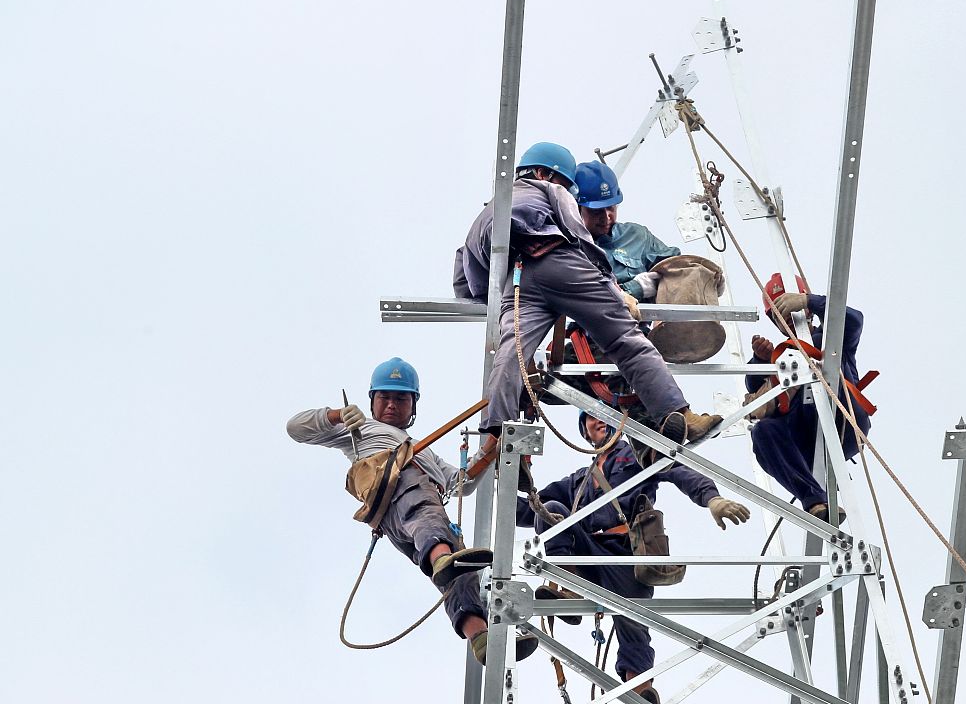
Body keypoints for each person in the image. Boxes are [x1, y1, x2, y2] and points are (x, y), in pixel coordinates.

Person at [452, 141, 721, 444]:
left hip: (519, 282)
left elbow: (466, 280)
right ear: (543, 173)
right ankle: (677, 412)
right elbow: (579, 238)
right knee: (625, 340)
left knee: (511, 354)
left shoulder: (487, 213)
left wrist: (497, 298)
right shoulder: (547, 190)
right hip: (558, 261)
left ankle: (494, 433)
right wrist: (616, 291)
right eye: (568, 186)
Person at [285, 357, 537, 664]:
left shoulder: (424, 450)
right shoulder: (360, 430)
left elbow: (461, 484)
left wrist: (489, 451)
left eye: (400, 398)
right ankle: (442, 558)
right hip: (399, 493)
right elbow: (296, 428)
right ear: (372, 401)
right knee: (426, 512)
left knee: (461, 578)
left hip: (412, 525)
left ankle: (480, 638)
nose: (392, 404)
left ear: (413, 405)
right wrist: (338, 416)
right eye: (385, 398)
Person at [518, 412, 751, 704]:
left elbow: (676, 469)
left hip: (628, 552)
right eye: (589, 418)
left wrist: (711, 498)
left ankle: (640, 692)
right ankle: (569, 586)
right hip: (588, 554)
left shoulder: (635, 454)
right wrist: (504, 471)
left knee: (633, 623)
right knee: (551, 509)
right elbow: (530, 508)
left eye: (601, 416)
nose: (597, 421)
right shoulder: (579, 480)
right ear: (585, 434)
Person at [744, 275, 873, 521]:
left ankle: (820, 492)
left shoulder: (831, 337)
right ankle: (814, 500)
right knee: (762, 432)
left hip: (842, 419)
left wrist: (809, 301)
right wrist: (759, 360)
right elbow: (756, 390)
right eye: (777, 313)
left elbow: (854, 320)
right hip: (802, 434)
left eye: (788, 305)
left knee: (821, 384)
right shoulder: (780, 355)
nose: (787, 316)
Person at [573, 160, 680, 302]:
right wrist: (635, 289)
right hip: (587, 323)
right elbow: (586, 300)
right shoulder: (571, 246)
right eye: (596, 211)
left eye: (611, 207)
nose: (606, 217)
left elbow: (676, 265)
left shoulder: (637, 236)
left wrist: (705, 276)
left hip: (637, 324)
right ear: (576, 208)